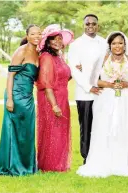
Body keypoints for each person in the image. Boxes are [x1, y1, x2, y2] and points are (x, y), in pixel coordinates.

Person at [76, 31, 128, 177]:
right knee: (106, 127)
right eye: (114, 43)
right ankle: (105, 161)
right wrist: (109, 84)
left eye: (120, 43)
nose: (117, 46)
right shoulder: (103, 59)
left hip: (127, 99)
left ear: (124, 45)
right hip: (107, 98)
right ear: (109, 45)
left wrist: (125, 83)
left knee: (127, 126)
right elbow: (94, 80)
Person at [0, 24, 41, 176]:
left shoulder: (38, 52)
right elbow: (10, 76)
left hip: (28, 97)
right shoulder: (21, 51)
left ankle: (27, 166)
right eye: (33, 34)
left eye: (39, 34)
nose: (36, 36)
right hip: (15, 95)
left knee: (27, 132)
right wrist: (9, 98)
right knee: (14, 130)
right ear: (27, 36)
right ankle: (13, 165)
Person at [67, 14, 105, 164]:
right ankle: (87, 158)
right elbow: (75, 70)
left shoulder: (104, 43)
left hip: (103, 92)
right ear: (83, 25)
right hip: (84, 94)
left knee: (102, 125)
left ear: (98, 25)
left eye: (93, 24)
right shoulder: (76, 45)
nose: (90, 26)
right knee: (86, 126)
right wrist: (90, 87)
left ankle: (101, 156)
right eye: (87, 23)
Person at [36, 24, 74, 172]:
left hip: (62, 97)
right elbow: (46, 84)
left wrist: (75, 71)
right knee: (52, 130)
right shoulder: (46, 57)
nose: (58, 41)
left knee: (60, 130)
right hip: (51, 98)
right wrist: (54, 105)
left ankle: (59, 163)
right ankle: (49, 165)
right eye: (54, 39)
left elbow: (63, 78)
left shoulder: (58, 56)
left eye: (60, 39)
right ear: (48, 42)